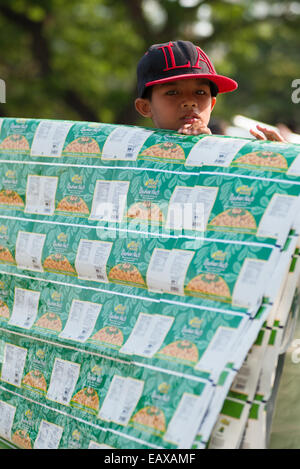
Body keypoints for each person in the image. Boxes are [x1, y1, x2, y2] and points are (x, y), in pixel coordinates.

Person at [134, 40, 285, 142]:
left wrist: (280, 162)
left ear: (212, 104)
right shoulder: (128, 154)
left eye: (200, 93)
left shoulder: (230, 155)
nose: (190, 102)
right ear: (145, 107)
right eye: (173, 92)